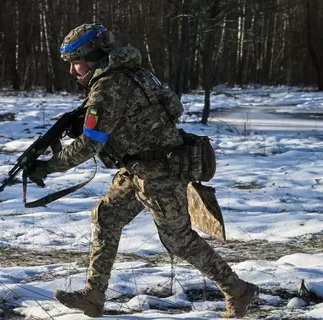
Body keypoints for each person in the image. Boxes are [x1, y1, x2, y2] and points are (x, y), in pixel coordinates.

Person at [26, 24, 258, 318]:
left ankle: (238, 290)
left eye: (75, 61)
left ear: (93, 56)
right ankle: (94, 295)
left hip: (161, 172)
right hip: (138, 168)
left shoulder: (108, 86)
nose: (73, 71)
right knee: (107, 216)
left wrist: (49, 166)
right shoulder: (137, 73)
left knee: (178, 239)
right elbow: (173, 110)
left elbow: (89, 146)